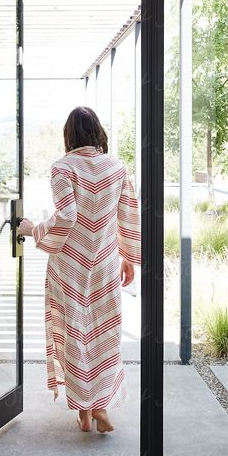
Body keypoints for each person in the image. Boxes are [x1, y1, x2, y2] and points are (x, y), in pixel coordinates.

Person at [18, 106, 141, 433]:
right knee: (104, 332)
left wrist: (33, 229)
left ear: (68, 135)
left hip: (70, 267)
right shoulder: (117, 167)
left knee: (73, 332)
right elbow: (127, 215)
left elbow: (67, 216)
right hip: (104, 263)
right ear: (98, 132)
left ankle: (83, 411)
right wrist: (128, 256)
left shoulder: (63, 168)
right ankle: (99, 404)